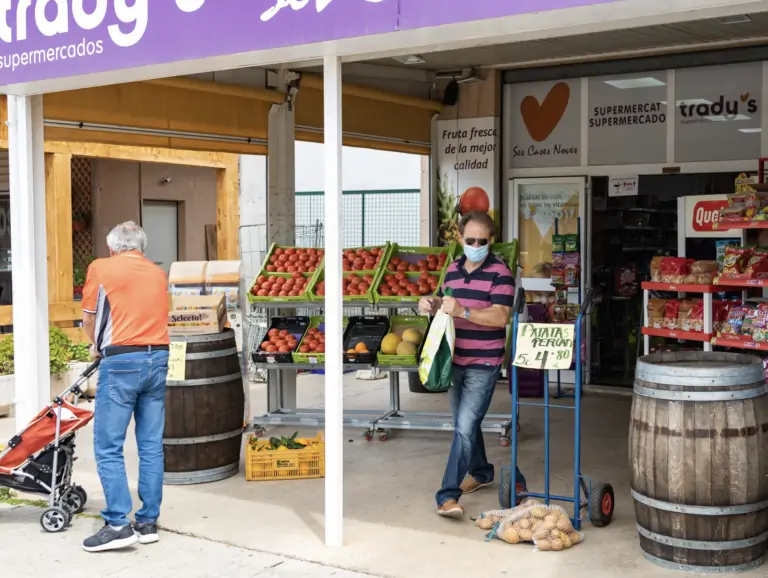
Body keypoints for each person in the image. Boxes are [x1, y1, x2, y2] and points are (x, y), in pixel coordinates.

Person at [419, 211, 527, 518]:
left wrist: (464, 311)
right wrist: (430, 303)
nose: (477, 245)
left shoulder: (500, 273)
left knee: (464, 426)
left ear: (491, 241)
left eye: (483, 240)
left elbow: (500, 316)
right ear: (460, 239)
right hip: (455, 358)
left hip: (484, 361)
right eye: (471, 240)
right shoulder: (453, 269)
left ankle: (446, 494)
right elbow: (444, 300)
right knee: (466, 424)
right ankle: (480, 472)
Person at [81, 221, 171, 552]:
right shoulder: (157, 273)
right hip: (158, 358)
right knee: (149, 444)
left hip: (120, 362)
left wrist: (94, 345)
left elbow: (89, 317)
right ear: (141, 248)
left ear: (113, 247)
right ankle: (147, 523)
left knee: (108, 445)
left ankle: (118, 523)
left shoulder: (101, 267)